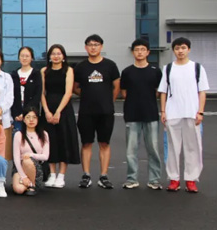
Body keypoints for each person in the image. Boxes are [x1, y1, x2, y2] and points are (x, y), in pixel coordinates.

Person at [158, 37, 209, 193]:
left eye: (183, 48)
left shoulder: (197, 68)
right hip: (173, 113)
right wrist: (163, 111)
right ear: (173, 50)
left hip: (192, 113)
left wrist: (200, 111)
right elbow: (163, 92)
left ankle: (191, 179)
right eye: (177, 48)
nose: (180, 51)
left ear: (189, 49)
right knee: (172, 148)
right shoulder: (168, 68)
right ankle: (174, 179)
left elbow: (202, 92)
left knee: (192, 147)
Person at [73, 34, 120, 189]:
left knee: (104, 143)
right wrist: (87, 95)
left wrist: (109, 100)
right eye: (90, 45)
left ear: (101, 46)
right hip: (86, 112)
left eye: (96, 44)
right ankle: (86, 175)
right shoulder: (81, 67)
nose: (93, 47)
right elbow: (75, 87)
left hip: (106, 112)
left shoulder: (110, 65)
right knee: (86, 143)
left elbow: (116, 86)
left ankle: (103, 176)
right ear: (85, 47)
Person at [120, 39, 163, 190]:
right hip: (132, 114)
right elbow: (124, 92)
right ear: (133, 52)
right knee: (131, 150)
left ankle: (154, 180)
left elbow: (159, 92)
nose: (140, 52)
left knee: (153, 149)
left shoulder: (155, 71)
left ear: (148, 52)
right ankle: (132, 179)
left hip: (151, 114)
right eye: (137, 50)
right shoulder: (127, 72)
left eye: (143, 49)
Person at [40, 44, 79, 188]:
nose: (56, 56)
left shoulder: (68, 70)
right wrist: (47, 111)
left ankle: (61, 176)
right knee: (50, 141)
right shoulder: (44, 71)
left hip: (64, 109)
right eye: (53, 54)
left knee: (64, 140)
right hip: (48, 109)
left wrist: (58, 112)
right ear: (49, 57)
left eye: (59, 53)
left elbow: (68, 92)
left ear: (63, 56)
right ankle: (52, 174)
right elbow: (42, 93)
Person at [12, 106, 50, 196]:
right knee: (19, 190)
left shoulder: (44, 134)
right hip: (20, 168)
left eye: (34, 117)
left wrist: (30, 155)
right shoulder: (18, 135)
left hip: (37, 168)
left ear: (38, 119)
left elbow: (45, 156)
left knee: (27, 161)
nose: (31, 120)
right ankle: (25, 182)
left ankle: (32, 185)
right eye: (28, 117)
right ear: (24, 120)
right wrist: (23, 176)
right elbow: (16, 159)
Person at [11, 46, 43, 134]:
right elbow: (11, 95)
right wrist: (15, 114)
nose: (24, 58)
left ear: (32, 58)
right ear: (19, 57)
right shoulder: (14, 74)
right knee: (18, 137)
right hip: (17, 114)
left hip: (31, 112)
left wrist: (26, 113)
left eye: (27, 56)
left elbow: (37, 95)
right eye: (22, 56)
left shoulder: (36, 74)